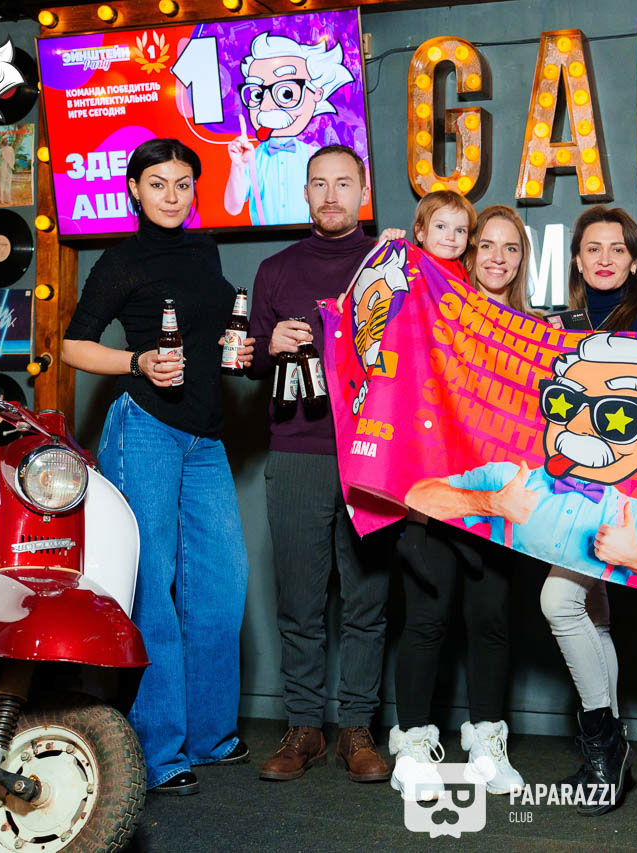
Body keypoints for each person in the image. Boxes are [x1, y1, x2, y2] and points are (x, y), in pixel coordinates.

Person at [60, 138, 254, 796]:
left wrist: (244, 347)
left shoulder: (205, 250)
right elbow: (74, 346)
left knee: (222, 585)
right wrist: (137, 361)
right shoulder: (122, 260)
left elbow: (208, 334)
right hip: (144, 427)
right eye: (158, 184)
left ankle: (210, 735)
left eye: (182, 183)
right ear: (135, 192)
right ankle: (159, 750)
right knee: (154, 588)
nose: (172, 195)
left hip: (205, 435)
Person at [246, 144, 393, 786]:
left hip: (373, 457)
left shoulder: (389, 263)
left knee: (367, 601)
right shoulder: (275, 270)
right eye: (319, 184)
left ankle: (357, 728)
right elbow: (244, 360)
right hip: (297, 451)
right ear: (304, 193)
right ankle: (304, 727)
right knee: (300, 603)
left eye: (343, 183)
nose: (331, 195)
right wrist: (267, 346)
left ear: (362, 190)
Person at [384, 200, 530, 801]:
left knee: (491, 621)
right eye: (485, 244)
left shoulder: (536, 333)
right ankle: (413, 748)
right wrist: (392, 254)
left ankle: (487, 746)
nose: (496, 257)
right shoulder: (431, 307)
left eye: (510, 247)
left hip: (498, 502)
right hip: (436, 497)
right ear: (468, 252)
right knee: (427, 618)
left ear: (521, 260)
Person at [539, 206, 637, 816]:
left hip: (617, 489)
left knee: (558, 601)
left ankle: (604, 745)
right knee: (592, 610)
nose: (605, 258)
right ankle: (611, 754)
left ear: (635, 262)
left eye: (618, 249)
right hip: (564, 488)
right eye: (594, 248)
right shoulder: (557, 323)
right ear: (578, 259)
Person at [224, 32, 355, 225]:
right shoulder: (252, 159)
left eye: (286, 92)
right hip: (263, 241)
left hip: (313, 240)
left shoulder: (315, 156)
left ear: (317, 93)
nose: (267, 105)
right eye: (257, 94)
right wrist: (237, 165)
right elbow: (233, 208)